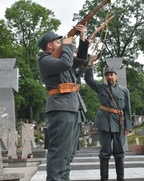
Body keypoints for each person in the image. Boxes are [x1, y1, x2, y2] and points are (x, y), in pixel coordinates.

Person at [38, 25, 90, 181]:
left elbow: (80, 60)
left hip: (72, 107)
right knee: (59, 152)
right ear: (50, 45)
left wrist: (82, 40)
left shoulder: (60, 58)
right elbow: (67, 64)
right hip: (60, 108)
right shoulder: (44, 60)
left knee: (68, 154)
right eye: (58, 41)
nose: (61, 43)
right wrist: (67, 44)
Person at [84, 55, 132, 181]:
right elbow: (88, 80)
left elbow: (127, 109)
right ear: (105, 77)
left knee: (119, 153)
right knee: (104, 153)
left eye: (112, 74)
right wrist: (90, 65)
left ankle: (120, 178)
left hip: (119, 123)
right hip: (104, 123)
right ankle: (103, 179)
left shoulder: (124, 91)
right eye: (107, 75)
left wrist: (128, 127)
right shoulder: (101, 88)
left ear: (116, 76)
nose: (109, 77)